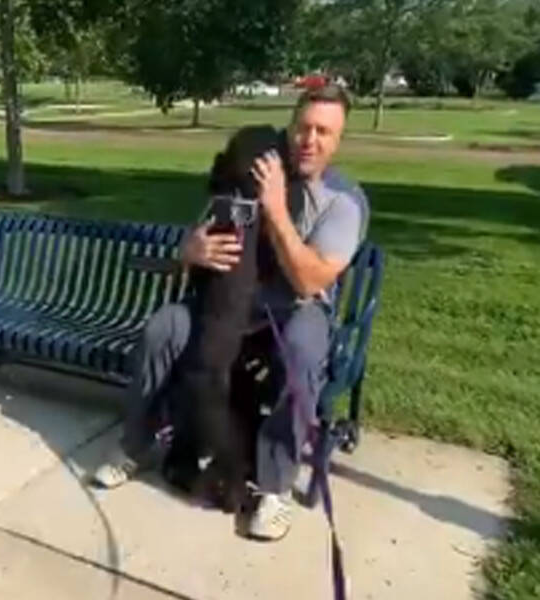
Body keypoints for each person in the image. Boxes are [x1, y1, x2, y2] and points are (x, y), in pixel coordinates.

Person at [92, 85, 369, 541]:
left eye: (324, 131)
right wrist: (190, 250)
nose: (310, 139)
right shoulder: (253, 168)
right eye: (304, 127)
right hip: (228, 310)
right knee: (165, 327)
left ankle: (275, 487)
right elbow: (204, 231)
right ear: (290, 125)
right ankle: (136, 443)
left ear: (337, 141)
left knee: (302, 347)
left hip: (297, 313)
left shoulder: (344, 200)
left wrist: (277, 210)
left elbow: (310, 281)